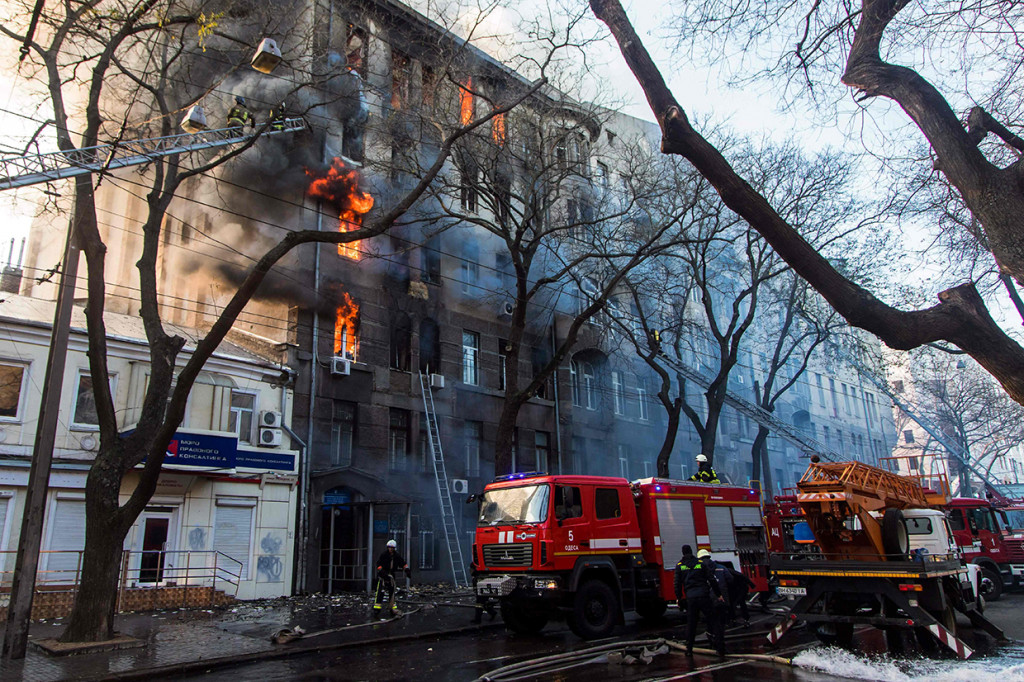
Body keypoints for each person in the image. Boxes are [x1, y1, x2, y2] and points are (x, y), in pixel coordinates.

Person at [674, 545, 724, 656]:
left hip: (691, 599)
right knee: (714, 621)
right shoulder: (701, 564)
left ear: (683, 553)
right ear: (692, 552)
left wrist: (679, 598)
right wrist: (718, 594)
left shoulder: (680, 566)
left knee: (691, 624)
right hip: (704, 596)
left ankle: (689, 649)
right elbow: (712, 579)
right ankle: (721, 648)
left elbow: (677, 584)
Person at [373, 539, 409, 612]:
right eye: (390, 548)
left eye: (392, 548)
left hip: (391, 575)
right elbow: (378, 565)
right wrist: (382, 572)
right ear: (387, 547)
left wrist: (407, 570)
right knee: (380, 591)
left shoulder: (397, 556)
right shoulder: (384, 555)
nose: (391, 549)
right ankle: (377, 608)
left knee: (392, 591)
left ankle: (392, 607)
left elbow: (402, 563)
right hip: (383, 575)